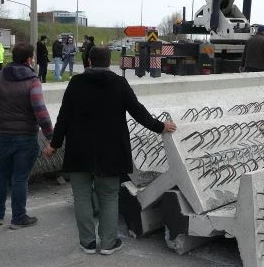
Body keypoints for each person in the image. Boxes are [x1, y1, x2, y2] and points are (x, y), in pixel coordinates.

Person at [43, 47, 177, 255]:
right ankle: (108, 243)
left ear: (88, 61)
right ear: (108, 63)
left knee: (82, 197)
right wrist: (160, 127)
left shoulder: (76, 83)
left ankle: (87, 243)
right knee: (108, 197)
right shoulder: (118, 83)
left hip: (79, 152)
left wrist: (54, 145)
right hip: (110, 152)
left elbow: (63, 117)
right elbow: (138, 111)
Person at [0, 43, 54, 229]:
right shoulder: (33, 81)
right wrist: (50, 136)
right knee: (20, 178)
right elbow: (40, 111)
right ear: (29, 59)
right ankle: (18, 217)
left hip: (4, 135)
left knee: (1, 175)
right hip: (26, 137)